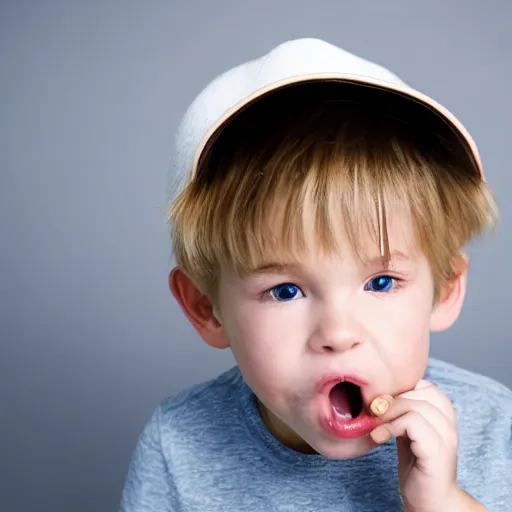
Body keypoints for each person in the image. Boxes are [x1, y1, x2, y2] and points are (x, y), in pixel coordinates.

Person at [120, 38, 512, 511]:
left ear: (445, 288)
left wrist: (442, 503)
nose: (338, 334)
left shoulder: (495, 426)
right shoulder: (179, 446)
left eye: (381, 283)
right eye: (285, 291)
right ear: (207, 308)